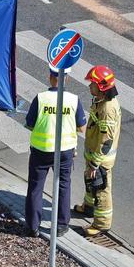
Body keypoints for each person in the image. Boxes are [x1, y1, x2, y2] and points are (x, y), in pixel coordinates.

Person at [24, 68, 87, 237]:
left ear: (50, 78)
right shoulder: (74, 100)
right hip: (65, 151)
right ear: (67, 79)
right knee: (63, 185)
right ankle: (61, 225)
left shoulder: (41, 98)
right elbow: (82, 127)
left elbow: (30, 124)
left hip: (41, 150)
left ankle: (32, 226)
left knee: (36, 187)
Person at [73, 65, 122, 237]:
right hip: (93, 153)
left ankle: (101, 224)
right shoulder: (100, 100)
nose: (89, 86)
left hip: (101, 159)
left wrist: (95, 164)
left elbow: (106, 141)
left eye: (92, 83)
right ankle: (88, 207)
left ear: (101, 87)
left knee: (101, 189)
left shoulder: (108, 109)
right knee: (90, 183)